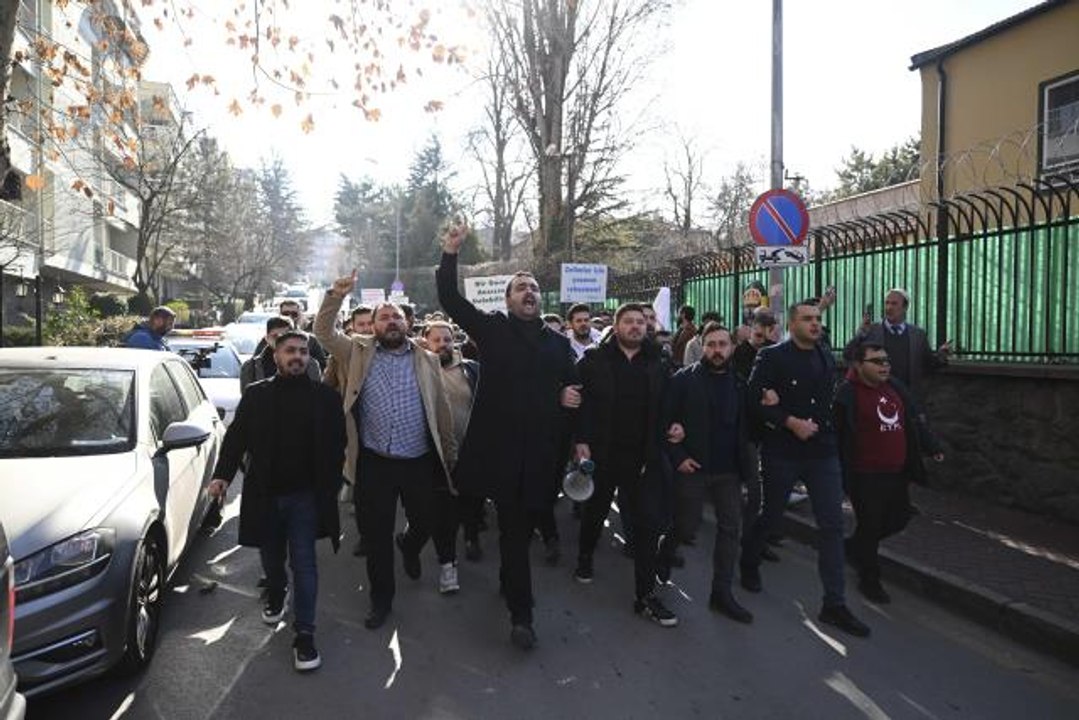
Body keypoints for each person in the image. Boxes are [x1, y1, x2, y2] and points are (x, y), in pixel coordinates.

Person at [436, 219, 579, 651]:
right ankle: (523, 617)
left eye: (533, 287)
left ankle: (510, 587)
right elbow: (450, 299)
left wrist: (570, 396)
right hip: (497, 453)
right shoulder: (492, 330)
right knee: (513, 533)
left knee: (521, 529)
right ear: (508, 299)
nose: (528, 291)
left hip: (540, 455)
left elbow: (572, 387)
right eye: (520, 287)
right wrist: (450, 252)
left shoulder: (558, 344)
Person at [314, 281, 457, 630]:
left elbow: (441, 409)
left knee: (425, 521)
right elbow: (323, 332)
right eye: (384, 317)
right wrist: (335, 296)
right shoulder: (357, 353)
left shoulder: (427, 359)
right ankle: (381, 599)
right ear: (374, 326)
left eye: (396, 317)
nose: (391, 321)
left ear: (407, 323)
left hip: (418, 461)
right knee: (376, 537)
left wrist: (449, 455)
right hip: (374, 461)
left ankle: (409, 546)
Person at [208, 329, 346, 672]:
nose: (297, 356)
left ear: (309, 358)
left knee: (305, 563)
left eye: (302, 351)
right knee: (271, 559)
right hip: (265, 495)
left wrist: (328, 486)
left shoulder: (325, 398)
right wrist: (222, 475)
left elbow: (337, 445)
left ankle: (305, 635)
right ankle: (276, 589)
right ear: (277, 356)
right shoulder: (257, 395)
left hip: (307, 499)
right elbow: (236, 437)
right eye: (290, 351)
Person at [740, 299, 872, 638]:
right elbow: (753, 402)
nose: (815, 324)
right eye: (808, 319)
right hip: (783, 450)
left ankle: (834, 603)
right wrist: (788, 420)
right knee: (771, 515)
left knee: (831, 524)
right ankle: (749, 560)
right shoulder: (771, 357)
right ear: (793, 324)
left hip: (822, 451)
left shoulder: (825, 355)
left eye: (818, 319)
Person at [574, 303, 678, 626]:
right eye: (628, 322)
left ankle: (644, 595)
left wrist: (674, 425)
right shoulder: (593, 361)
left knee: (646, 525)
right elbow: (581, 405)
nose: (635, 327)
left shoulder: (659, 362)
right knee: (596, 511)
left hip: (643, 458)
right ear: (616, 326)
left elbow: (669, 403)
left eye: (639, 322)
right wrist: (580, 442)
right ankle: (585, 556)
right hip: (603, 455)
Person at [658, 322, 755, 623]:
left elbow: (747, 428)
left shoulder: (740, 383)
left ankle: (721, 593)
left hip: (728, 472)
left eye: (722, 344)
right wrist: (678, 457)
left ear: (731, 347)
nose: (717, 350)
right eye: (711, 344)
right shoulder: (683, 380)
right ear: (702, 346)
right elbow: (664, 422)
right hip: (693, 468)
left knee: (730, 529)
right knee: (687, 526)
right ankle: (666, 549)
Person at [836, 341, 943, 603]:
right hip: (865, 475)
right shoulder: (847, 394)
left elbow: (913, 418)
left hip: (896, 471)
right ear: (859, 365)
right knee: (871, 527)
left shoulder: (894, 387)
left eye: (886, 361)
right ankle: (870, 580)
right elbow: (838, 437)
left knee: (900, 518)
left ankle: (853, 547)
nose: (884, 365)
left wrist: (931, 445)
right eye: (877, 361)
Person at [422, 320, 483, 590]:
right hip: (435, 455)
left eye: (447, 339)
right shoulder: (419, 371)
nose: (443, 344)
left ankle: (471, 537)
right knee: (442, 510)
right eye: (436, 340)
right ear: (426, 342)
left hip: (470, 450)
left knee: (471, 501)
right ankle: (448, 564)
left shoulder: (472, 370)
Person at [844, 288, 951, 399]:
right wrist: (861, 334)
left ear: (905, 307)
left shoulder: (918, 335)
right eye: (887, 303)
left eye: (894, 304)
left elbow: (928, 364)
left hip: (908, 398)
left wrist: (942, 355)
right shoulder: (872, 331)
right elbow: (848, 354)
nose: (889, 308)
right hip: (877, 397)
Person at [241, 316, 321, 392]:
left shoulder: (310, 364)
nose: (280, 341)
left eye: (285, 336)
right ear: (267, 338)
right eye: (275, 336)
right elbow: (248, 399)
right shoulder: (251, 367)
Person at [254, 300, 328, 371]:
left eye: (294, 314)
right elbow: (255, 364)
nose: (290, 317)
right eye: (285, 314)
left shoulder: (310, 341)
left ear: (300, 315)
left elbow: (321, 367)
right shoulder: (268, 339)